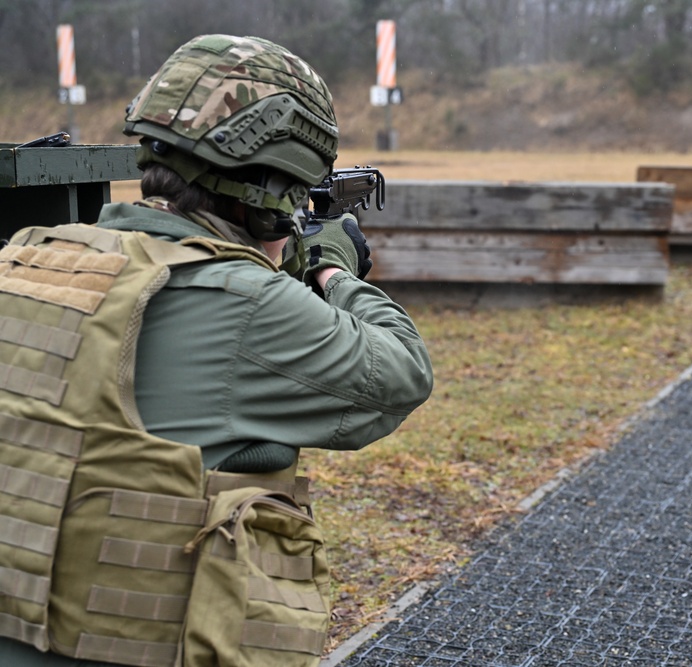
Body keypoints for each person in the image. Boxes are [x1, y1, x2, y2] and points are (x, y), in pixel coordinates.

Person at [0, 34, 433, 667]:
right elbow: (402, 372)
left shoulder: (29, 259)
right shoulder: (247, 300)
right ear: (275, 189)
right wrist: (333, 272)